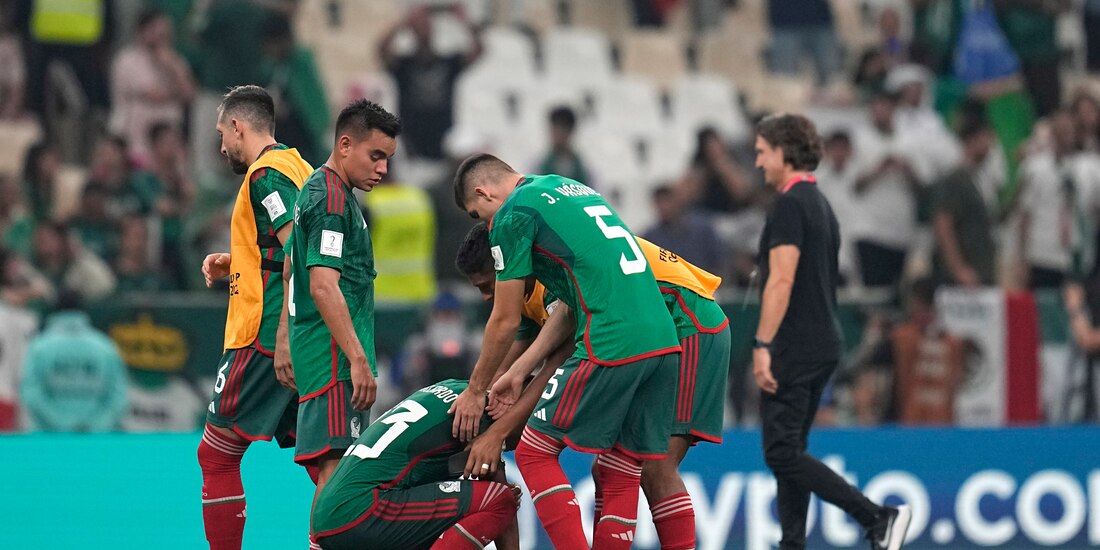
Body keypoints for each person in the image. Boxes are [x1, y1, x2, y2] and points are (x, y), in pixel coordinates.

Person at [451, 155, 682, 548]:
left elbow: (504, 319)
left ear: (483, 192)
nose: (486, 226)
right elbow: (570, 301)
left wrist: (475, 391)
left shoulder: (511, 215)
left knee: (533, 452)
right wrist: (519, 369)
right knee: (622, 465)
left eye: (478, 213)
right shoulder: (564, 186)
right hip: (663, 339)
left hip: (612, 339)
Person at [457, 222, 731, 550]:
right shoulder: (529, 288)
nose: (487, 297)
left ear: (506, 266)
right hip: (656, 333)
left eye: (488, 285)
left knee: (656, 466)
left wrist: (498, 433)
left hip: (688, 322)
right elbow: (507, 369)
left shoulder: (550, 276)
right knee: (612, 468)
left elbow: (557, 364)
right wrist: (477, 402)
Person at [751, 113, 910, 550]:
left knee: (781, 452)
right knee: (790, 454)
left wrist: (763, 344)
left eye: (763, 151)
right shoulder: (821, 205)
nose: (758, 161)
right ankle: (793, 544)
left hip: (794, 344)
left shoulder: (787, 206)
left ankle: (877, 517)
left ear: (784, 153)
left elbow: (782, 281)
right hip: (821, 340)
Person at [196, 85, 314, 550]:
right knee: (326, 461)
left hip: (263, 335)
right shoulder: (299, 166)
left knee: (217, 455)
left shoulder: (265, 176)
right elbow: (285, 244)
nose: (222, 145)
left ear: (238, 126)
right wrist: (237, 261)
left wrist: (282, 333)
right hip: (302, 330)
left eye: (222, 132)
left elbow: (299, 253)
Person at [285, 99, 400, 523]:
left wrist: (284, 340)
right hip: (334, 360)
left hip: (322, 356)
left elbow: (288, 265)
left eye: (387, 159)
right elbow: (322, 285)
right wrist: (356, 360)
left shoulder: (321, 190)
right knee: (335, 480)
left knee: (334, 475)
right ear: (345, 144)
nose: (383, 169)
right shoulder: (331, 201)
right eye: (376, 156)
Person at [311, 379, 521, 550]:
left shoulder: (453, 387)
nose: (523, 440)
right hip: (363, 510)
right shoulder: (480, 415)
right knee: (499, 498)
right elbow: (498, 499)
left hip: (327, 520)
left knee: (442, 521)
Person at [378, 4, 483, 161]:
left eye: (427, 27)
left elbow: (478, 50)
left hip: (444, 141)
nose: (424, 31)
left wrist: (464, 22)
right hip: (411, 143)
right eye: (419, 28)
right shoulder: (404, 65)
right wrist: (403, 23)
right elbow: (382, 50)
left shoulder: (448, 62)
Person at [20, 291, 128, 432]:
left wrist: (60, 424)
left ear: (55, 311)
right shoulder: (105, 347)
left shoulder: (39, 346)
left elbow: (31, 392)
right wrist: (97, 426)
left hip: (47, 441)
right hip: (96, 441)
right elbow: (118, 394)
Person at [108, 8, 196, 165]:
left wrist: (172, 65)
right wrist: (177, 93)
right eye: (156, 30)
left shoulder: (173, 60)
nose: (160, 36)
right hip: (136, 140)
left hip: (170, 140)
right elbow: (152, 94)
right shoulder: (127, 60)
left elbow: (189, 93)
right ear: (142, 31)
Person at [1017, 110, 1092, 289]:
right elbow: (1025, 214)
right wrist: (1022, 257)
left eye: (1069, 132)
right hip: (1041, 253)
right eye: (1061, 132)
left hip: (1070, 253)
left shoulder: (1082, 169)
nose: (1065, 137)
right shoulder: (1035, 168)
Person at [930, 119, 998, 288]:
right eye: (985, 139)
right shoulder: (956, 180)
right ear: (971, 141)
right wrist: (958, 268)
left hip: (983, 270)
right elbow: (943, 224)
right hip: (962, 276)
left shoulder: (983, 181)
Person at [643, 185, 724, 275]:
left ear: (677, 202)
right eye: (659, 203)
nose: (664, 207)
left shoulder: (703, 229)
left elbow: (718, 261)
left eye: (667, 202)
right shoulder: (651, 237)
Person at [536, 106, 590, 184]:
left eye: (563, 131)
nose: (558, 136)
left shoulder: (585, 170)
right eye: (555, 130)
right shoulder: (537, 166)